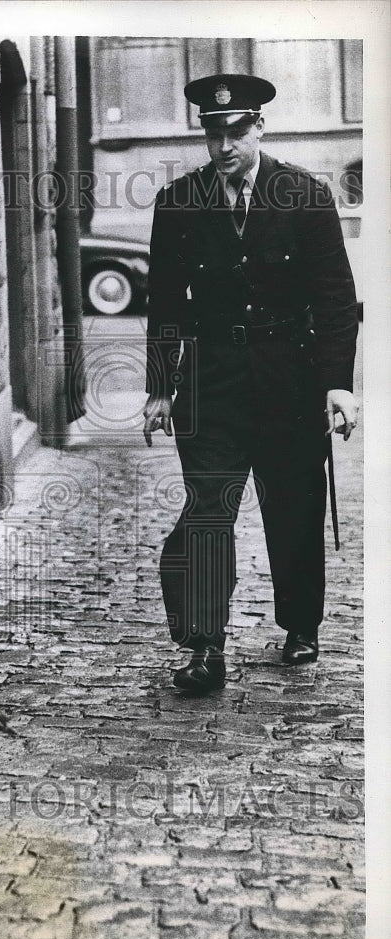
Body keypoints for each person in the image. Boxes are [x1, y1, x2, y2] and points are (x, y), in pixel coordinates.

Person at [143, 74, 359, 694]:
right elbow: (165, 301)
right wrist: (160, 388)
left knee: (294, 506)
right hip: (211, 382)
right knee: (208, 511)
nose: (225, 145)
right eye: (214, 134)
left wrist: (337, 384)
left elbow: (336, 298)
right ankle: (205, 646)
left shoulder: (305, 196)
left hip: (290, 380)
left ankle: (300, 624)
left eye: (236, 131)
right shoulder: (180, 201)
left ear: (259, 127)